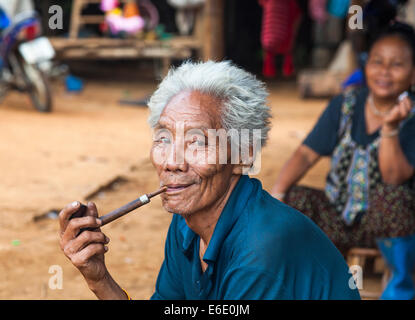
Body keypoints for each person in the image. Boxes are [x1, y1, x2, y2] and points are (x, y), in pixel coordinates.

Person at [59, 60, 360, 300]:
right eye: (164, 138)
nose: (172, 162)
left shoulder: (261, 248)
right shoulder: (186, 225)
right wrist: (99, 279)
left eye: (198, 142)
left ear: (244, 153)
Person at [271, 22, 415, 300]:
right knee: (295, 199)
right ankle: (301, 286)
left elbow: (394, 177)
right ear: (365, 65)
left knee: (392, 198)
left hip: (387, 227)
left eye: (396, 64)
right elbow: (305, 154)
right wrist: (277, 195)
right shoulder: (346, 104)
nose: (384, 71)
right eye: (377, 62)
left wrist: (390, 128)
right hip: (338, 216)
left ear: (413, 73)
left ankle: (400, 288)